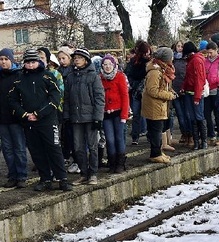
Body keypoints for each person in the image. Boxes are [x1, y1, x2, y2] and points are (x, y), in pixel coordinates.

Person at [8, 49, 72, 191]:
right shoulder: (18, 80)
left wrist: (38, 113)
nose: (30, 65)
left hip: (48, 121)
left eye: (33, 62)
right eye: (28, 62)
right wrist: (25, 114)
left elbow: (55, 98)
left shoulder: (48, 76)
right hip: (29, 122)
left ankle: (63, 179)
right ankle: (45, 179)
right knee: (36, 151)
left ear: (38, 62)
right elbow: (13, 101)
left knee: (54, 149)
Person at [63, 48, 105, 185]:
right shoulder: (70, 77)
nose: (76, 60)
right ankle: (83, 173)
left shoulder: (93, 76)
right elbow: (67, 98)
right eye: (75, 58)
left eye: (79, 58)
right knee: (78, 147)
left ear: (85, 60)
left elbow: (99, 98)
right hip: (76, 118)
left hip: (91, 117)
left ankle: (93, 173)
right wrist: (67, 115)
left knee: (93, 146)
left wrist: (98, 118)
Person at [141, 47, 177, 163]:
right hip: (154, 106)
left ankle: (158, 151)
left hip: (158, 105)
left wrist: (170, 91)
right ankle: (155, 154)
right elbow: (152, 90)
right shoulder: (155, 72)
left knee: (157, 128)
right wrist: (168, 95)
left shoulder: (161, 69)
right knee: (156, 130)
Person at [0, 48, 28, 188]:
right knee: (7, 149)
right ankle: (12, 175)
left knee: (19, 148)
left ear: (11, 60)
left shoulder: (19, 75)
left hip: (16, 118)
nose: (3, 62)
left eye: (6, 59)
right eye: (1, 59)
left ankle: (22, 175)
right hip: (2, 119)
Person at [100, 54, 129, 173]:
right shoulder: (100, 78)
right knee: (109, 139)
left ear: (114, 65)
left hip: (118, 113)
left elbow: (125, 96)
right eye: (105, 65)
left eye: (110, 64)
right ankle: (112, 162)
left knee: (119, 138)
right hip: (106, 113)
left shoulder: (120, 76)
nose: (107, 67)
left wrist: (124, 114)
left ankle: (120, 163)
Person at [124, 40, 152, 145]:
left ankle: (149, 135)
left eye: (148, 52)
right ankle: (135, 136)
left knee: (147, 114)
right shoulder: (134, 62)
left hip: (146, 91)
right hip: (136, 91)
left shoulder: (151, 62)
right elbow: (129, 74)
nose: (147, 54)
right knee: (136, 114)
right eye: (145, 52)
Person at [182, 41, 208, 150]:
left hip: (195, 93)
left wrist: (197, 96)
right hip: (190, 92)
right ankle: (198, 141)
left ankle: (202, 141)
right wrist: (184, 87)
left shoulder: (196, 60)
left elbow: (199, 80)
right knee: (193, 118)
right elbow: (189, 77)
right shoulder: (193, 60)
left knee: (198, 117)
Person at [171, 40, 191, 145]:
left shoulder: (187, 60)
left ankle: (190, 134)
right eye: (178, 46)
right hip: (175, 90)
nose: (180, 48)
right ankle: (184, 133)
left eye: (182, 46)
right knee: (180, 114)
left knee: (187, 113)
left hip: (185, 89)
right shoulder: (172, 60)